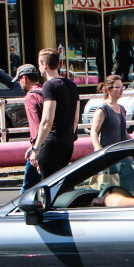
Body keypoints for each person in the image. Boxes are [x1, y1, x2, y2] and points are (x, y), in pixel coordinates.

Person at [28, 47, 81, 179]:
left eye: (39, 64)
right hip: (68, 143)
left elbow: (47, 121)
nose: (39, 68)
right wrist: (68, 137)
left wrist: (36, 148)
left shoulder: (49, 86)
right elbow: (75, 119)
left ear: (45, 65)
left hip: (52, 143)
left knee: (48, 186)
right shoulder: (72, 85)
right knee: (61, 184)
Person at [90, 74, 134, 191]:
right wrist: (98, 149)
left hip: (120, 154)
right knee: (111, 187)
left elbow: (123, 132)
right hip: (108, 154)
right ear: (109, 89)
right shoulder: (103, 109)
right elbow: (94, 132)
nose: (121, 90)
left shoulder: (121, 108)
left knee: (129, 182)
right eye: (118, 87)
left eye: (122, 87)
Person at [15, 64, 45, 190]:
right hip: (54, 144)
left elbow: (37, 126)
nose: (18, 83)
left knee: (27, 190)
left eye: (18, 80)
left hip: (40, 147)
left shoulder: (31, 97)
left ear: (24, 78)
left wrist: (35, 148)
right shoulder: (46, 92)